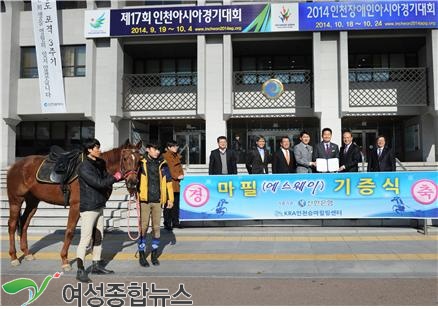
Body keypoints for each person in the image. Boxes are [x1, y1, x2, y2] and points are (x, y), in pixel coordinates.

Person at [76, 138, 122, 283]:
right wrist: (115, 178)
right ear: (89, 150)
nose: (99, 150)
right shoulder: (84, 167)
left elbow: (106, 177)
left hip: (99, 205)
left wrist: (121, 176)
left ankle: (96, 265)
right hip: (89, 207)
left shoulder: (99, 163)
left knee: (99, 237)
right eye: (96, 147)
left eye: (99, 147)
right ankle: (80, 269)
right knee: (85, 239)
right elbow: (99, 183)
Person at [137, 142, 174, 267]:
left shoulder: (163, 164)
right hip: (144, 200)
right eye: (154, 149)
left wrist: (170, 199)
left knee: (156, 228)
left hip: (158, 200)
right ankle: (142, 254)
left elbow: (169, 182)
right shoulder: (140, 163)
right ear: (148, 149)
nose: (157, 152)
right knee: (143, 227)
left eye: (158, 149)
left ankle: (154, 254)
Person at [162, 140, 184, 230]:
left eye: (177, 146)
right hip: (169, 183)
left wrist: (182, 174)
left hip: (176, 184)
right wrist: (177, 176)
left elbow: (179, 167)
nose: (176, 148)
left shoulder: (176, 156)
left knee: (176, 204)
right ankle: (167, 222)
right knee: (169, 204)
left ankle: (175, 222)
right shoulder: (165, 156)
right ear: (169, 147)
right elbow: (168, 170)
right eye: (174, 146)